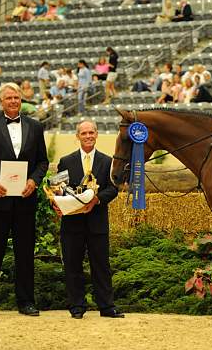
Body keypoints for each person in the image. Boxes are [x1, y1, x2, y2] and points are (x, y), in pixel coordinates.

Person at [0, 82, 49, 318]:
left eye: (17, 97)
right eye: (9, 98)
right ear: (1, 101)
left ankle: (26, 302)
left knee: (25, 254)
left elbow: (42, 162)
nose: (14, 101)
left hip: (25, 200)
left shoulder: (35, 126)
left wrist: (34, 181)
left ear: (21, 99)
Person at [51, 121, 122, 319]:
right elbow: (57, 189)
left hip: (97, 222)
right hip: (72, 224)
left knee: (101, 265)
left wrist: (97, 200)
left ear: (97, 135)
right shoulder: (66, 161)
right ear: (78, 136)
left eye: (92, 132)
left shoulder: (108, 161)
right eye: (84, 133)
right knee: (73, 266)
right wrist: (55, 203)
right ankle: (77, 307)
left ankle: (107, 307)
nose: (88, 136)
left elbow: (113, 188)